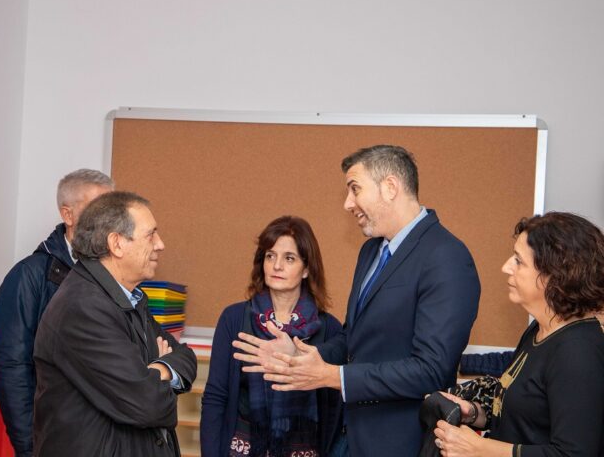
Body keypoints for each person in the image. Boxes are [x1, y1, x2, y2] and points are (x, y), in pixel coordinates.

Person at [234, 145, 481, 456]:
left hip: (400, 443)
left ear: (390, 187)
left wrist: (333, 376)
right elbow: (353, 339)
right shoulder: (371, 251)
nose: (348, 203)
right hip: (349, 434)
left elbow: (430, 369)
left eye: (355, 189)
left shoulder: (446, 257)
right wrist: (304, 354)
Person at [32, 191, 197, 456]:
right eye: (150, 235)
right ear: (116, 244)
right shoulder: (84, 307)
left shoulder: (129, 298)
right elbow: (148, 404)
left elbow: (185, 356)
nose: (160, 244)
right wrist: (159, 374)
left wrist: (158, 370)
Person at [432, 212, 604, 456]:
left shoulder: (578, 351)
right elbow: (526, 418)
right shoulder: (539, 330)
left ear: (555, 274)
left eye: (518, 261)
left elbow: (574, 453)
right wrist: (474, 413)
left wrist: (481, 449)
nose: (506, 267)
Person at [0, 168, 114, 456]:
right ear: (68, 215)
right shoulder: (29, 275)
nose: (108, 219)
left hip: (103, 436)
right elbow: (11, 366)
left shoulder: (114, 274)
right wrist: (30, 445)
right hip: (53, 438)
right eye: (98, 208)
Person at [201, 216, 343, 457]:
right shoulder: (233, 318)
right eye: (270, 256)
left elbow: (334, 412)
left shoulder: (329, 329)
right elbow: (216, 397)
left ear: (306, 269)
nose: (277, 266)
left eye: (289, 258)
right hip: (242, 449)